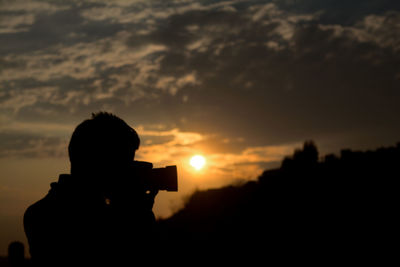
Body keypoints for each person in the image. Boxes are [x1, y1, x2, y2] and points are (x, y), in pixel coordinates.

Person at [24, 112, 158, 266]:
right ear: (99, 161)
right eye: (123, 163)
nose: (128, 171)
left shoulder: (40, 210)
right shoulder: (49, 214)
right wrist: (139, 215)